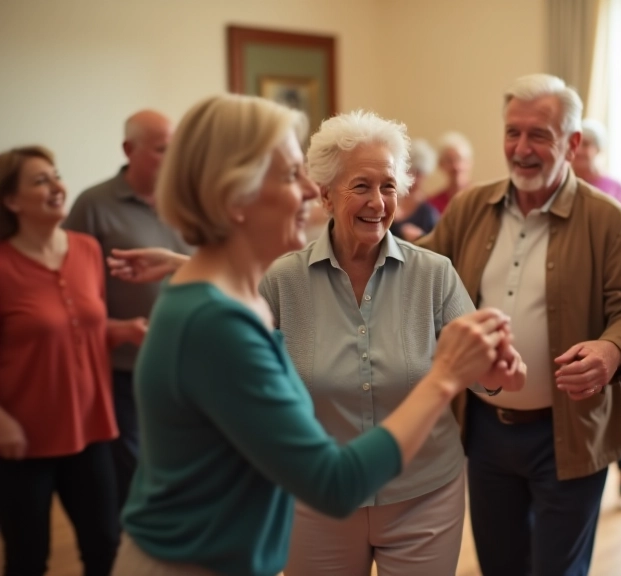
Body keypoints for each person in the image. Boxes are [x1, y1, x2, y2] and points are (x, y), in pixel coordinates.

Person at [109, 94, 517, 576]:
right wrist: (443, 375)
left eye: (387, 185)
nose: (305, 190)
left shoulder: (218, 306)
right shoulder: (220, 320)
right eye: (289, 175)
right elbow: (333, 481)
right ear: (233, 196)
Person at [259, 110, 525, 576]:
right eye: (361, 186)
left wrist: (496, 374)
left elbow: (479, 374)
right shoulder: (283, 281)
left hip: (424, 496)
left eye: (388, 186)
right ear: (324, 193)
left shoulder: (434, 273)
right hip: (317, 498)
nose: (378, 202)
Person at [417, 73, 621, 576]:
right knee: (499, 566)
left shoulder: (608, 221)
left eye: (538, 135)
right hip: (482, 431)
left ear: (571, 143)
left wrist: (611, 351)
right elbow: (419, 278)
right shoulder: (469, 208)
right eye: (512, 132)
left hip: (569, 434)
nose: (521, 148)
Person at [0, 146, 147, 576]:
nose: (56, 186)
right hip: (23, 437)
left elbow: (80, 328)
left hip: (91, 427)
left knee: (105, 547)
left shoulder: (86, 249)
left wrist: (123, 330)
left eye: (56, 175)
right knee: (28, 559)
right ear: (11, 200)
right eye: (40, 180)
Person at [63, 109, 192, 510]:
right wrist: (114, 326)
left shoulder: (186, 201)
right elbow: (67, 286)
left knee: (181, 473)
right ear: (128, 150)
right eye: (160, 150)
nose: (171, 159)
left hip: (183, 367)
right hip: (123, 368)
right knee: (133, 477)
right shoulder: (93, 205)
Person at [571, 117, 621, 497]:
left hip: (611, 303)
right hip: (575, 304)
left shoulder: (613, 187)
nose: (583, 152)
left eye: (589, 145)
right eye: (579, 144)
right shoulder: (562, 190)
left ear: (596, 149)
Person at [389, 138, 440, 241]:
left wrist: (420, 237)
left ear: (425, 175)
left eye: (418, 173)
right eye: (408, 170)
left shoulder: (428, 213)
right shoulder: (388, 198)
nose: (412, 177)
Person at [426, 131, 473, 214]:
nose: (456, 166)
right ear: (440, 165)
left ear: (469, 162)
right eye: (449, 161)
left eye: (459, 159)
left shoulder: (482, 198)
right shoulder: (432, 204)